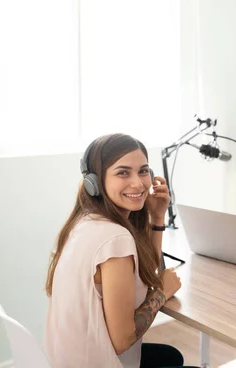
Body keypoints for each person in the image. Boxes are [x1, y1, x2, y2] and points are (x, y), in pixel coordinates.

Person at [44, 134, 194, 368]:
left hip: (68, 361)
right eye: (123, 172)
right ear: (94, 181)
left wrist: (157, 217)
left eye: (143, 171)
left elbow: (143, 277)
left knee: (169, 356)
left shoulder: (83, 222)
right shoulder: (114, 238)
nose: (138, 183)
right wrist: (162, 293)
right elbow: (122, 340)